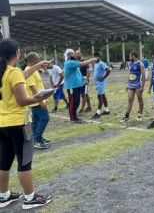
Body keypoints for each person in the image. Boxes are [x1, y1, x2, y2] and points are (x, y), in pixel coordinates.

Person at [0, 39, 53, 210]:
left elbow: (20, 77)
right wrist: (41, 97)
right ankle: (30, 198)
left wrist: (38, 66)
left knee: (4, 161)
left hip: (2, 124)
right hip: (18, 124)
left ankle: (3, 196)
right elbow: (22, 100)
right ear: (17, 53)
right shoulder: (13, 71)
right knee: (24, 161)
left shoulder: (5, 72)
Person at [24, 53, 51, 149]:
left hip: (37, 100)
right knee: (45, 118)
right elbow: (32, 87)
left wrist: (44, 67)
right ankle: (38, 139)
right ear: (33, 60)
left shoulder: (34, 70)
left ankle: (35, 139)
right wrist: (41, 101)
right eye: (38, 59)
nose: (39, 61)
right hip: (36, 100)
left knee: (35, 121)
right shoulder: (28, 71)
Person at [63, 49, 98, 123]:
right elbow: (83, 63)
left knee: (77, 101)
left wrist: (83, 78)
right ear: (69, 55)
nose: (75, 55)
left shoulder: (73, 62)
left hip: (77, 85)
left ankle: (74, 116)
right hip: (72, 86)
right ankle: (73, 117)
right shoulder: (69, 63)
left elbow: (77, 73)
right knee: (73, 101)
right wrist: (92, 59)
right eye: (73, 54)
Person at [121, 52, 146, 122]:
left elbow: (143, 76)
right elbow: (130, 74)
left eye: (130, 56)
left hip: (138, 85)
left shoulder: (140, 64)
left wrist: (143, 86)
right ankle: (127, 117)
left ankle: (140, 115)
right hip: (130, 84)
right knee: (130, 99)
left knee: (140, 99)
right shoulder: (131, 64)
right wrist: (127, 84)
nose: (129, 58)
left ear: (133, 56)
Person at [91, 52, 111, 119]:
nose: (94, 59)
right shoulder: (96, 63)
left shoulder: (101, 63)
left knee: (99, 97)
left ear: (98, 57)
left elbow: (108, 70)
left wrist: (103, 78)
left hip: (101, 83)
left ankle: (98, 113)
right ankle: (107, 110)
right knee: (103, 96)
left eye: (95, 57)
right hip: (98, 83)